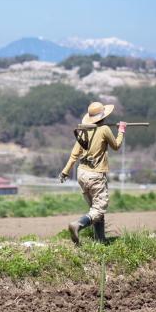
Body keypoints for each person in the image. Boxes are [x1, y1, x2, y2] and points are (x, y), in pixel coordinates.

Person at [59, 102, 127, 245]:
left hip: (82, 174)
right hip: (96, 175)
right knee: (99, 208)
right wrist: (121, 130)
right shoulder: (104, 129)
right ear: (103, 116)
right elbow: (116, 146)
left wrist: (65, 172)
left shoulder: (84, 130)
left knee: (95, 210)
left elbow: (74, 155)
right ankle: (78, 224)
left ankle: (100, 241)